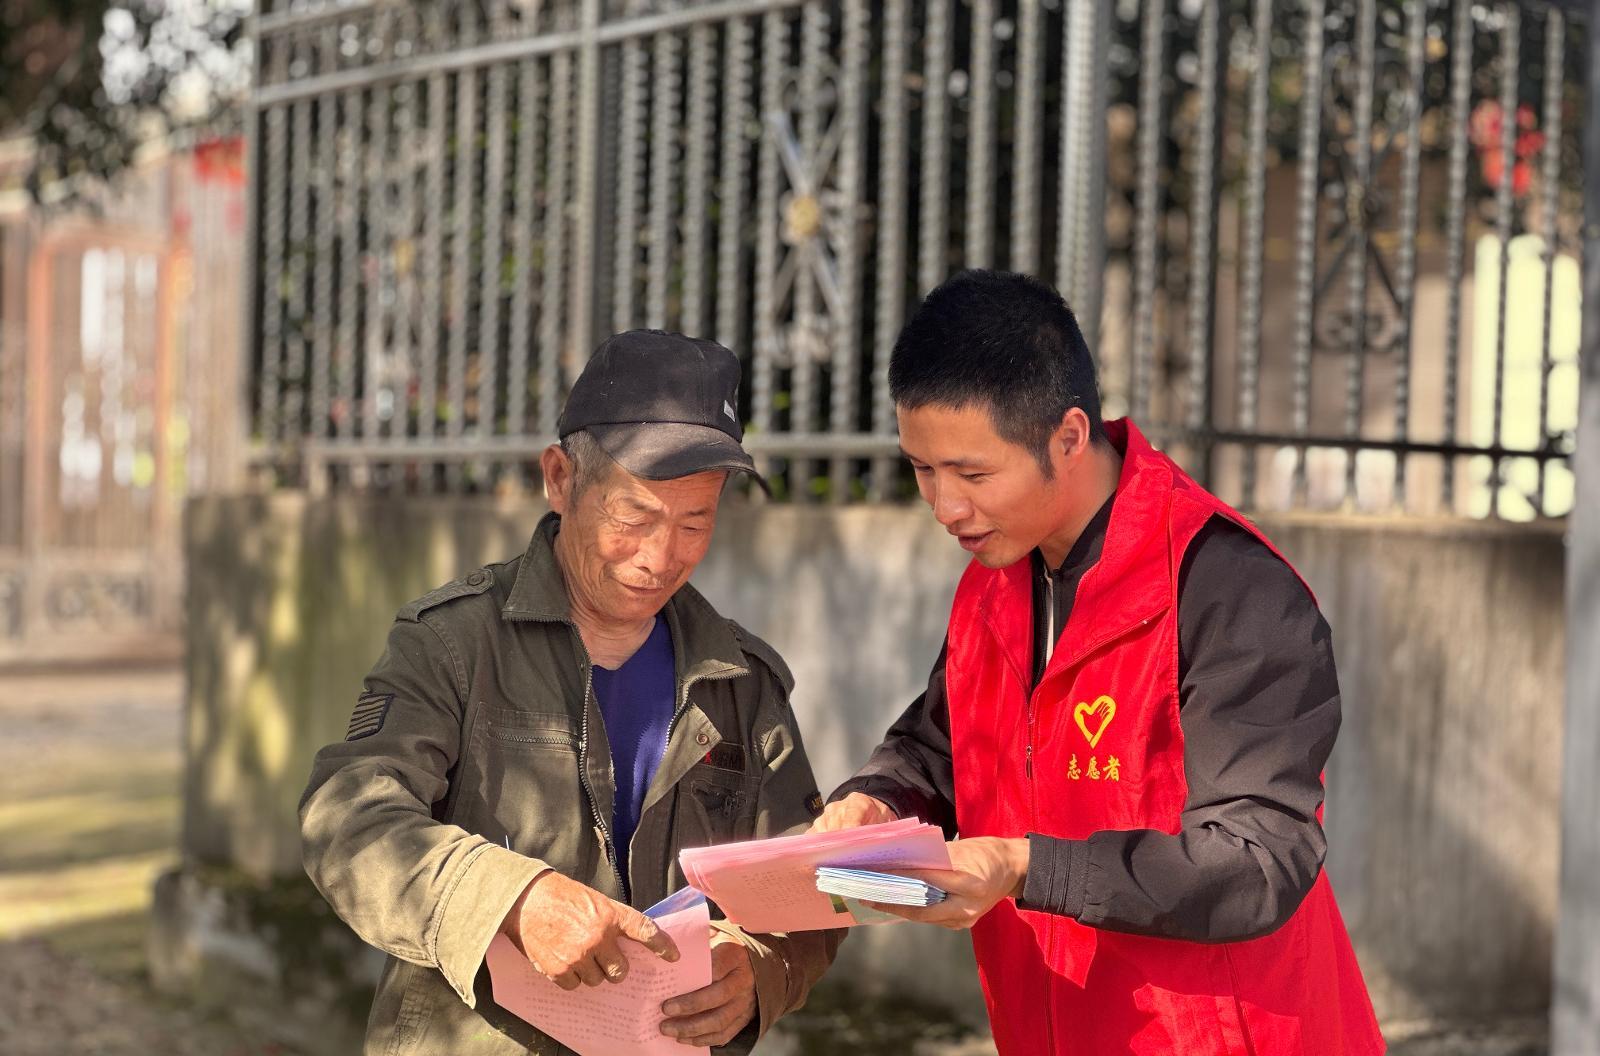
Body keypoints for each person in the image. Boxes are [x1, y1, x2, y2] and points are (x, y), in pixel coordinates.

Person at [813, 271, 1384, 1055]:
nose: (945, 507)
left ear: (1070, 436)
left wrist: (1024, 868)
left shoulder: (1224, 586)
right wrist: (875, 801)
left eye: (973, 474)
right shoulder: (992, 586)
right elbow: (939, 748)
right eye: (923, 469)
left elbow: (1258, 861)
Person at [301, 330, 841, 1055]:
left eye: (695, 523)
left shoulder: (741, 681)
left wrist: (759, 969)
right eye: (633, 518)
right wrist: (508, 900)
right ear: (560, 478)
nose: (660, 557)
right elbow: (346, 821)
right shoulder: (455, 644)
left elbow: (806, 885)